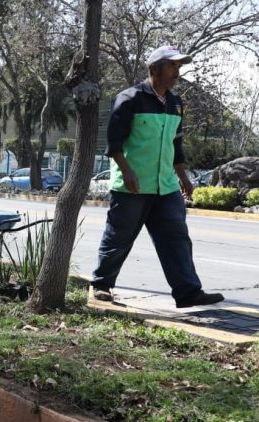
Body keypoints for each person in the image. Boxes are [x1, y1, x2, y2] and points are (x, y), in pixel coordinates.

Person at [91, 46, 223, 309]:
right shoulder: (129, 99)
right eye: (172, 66)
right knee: (119, 237)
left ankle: (188, 292)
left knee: (177, 239)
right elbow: (113, 143)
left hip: (166, 186)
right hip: (132, 186)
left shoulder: (176, 103)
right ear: (154, 69)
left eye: (179, 66)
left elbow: (176, 144)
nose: (178, 72)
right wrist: (127, 171)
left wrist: (183, 177)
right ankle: (101, 285)